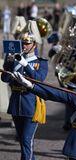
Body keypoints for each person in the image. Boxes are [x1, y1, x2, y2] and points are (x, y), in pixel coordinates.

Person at [1, 20, 48, 160]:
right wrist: (8, 63)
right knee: (23, 140)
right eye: (23, 42)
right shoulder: (14, 60)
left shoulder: (41, 62)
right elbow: (5, 79)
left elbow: (39, 79)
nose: (24, 45)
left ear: (34, 44)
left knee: (27, 140)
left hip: (32, 105)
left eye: (27, 43)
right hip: (16, 104)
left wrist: (25, 64)